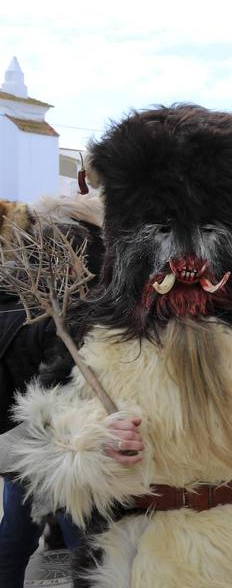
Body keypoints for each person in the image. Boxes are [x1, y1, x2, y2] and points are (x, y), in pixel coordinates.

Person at [1, 105, 232, 587]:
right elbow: (38, 444)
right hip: (136, 554)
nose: (185, 256)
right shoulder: (90, 331)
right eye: (160, 232)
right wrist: (92, 443)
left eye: (210, 232)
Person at [0, 195, 102, 587]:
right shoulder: (63, 314)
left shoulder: (14, 304)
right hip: (60, 445)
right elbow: (65, 383)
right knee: (81, 539)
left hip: (20, 442)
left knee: (16, 533)